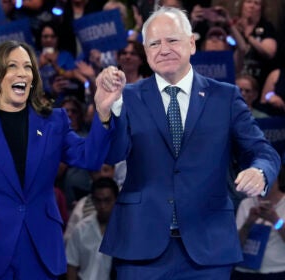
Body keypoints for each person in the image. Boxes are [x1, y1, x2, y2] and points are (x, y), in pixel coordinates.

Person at [95, 7, 281, 279]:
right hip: (141, 246)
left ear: (192, 43)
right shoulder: (128, 96)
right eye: (155, 43)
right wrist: (104, 112)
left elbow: (263, 151)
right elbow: (112, 154)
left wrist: (259, 170)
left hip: (207, 248)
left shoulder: (225, 97)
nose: (164, 49)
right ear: (146, 52)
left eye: (172, 40)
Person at [0, 40, 119, 279]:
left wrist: (103, 112)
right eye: (13, 66)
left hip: (40, 254)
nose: (23, 73)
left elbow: (90, 158)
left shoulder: (53, 122)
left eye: (28, 67)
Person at [231, 164, 285, 279]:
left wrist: (276, 221)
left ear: (277, 178)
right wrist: (248, 223)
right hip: (244, 270)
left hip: (277, 270)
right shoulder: (246, 204)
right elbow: (235, 246)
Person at [66, 177, 119, 280]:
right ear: (93, 200)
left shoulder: (124, 231)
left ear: (116, 200)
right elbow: (71, 266)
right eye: (98, 201)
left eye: (107, 200)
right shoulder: (81, 229)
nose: (102, 206)